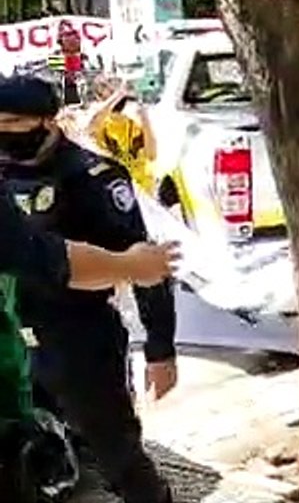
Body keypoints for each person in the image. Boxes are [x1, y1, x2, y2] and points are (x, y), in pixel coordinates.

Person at [0, 74, 177, 503]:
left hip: (78, 340)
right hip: (14, 340)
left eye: (13, 125)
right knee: (30, 456)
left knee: (116, 455)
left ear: (49, 121)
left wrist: (160, 348)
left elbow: (145, 264)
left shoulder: (92, 177)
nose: (3, 138)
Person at [86, 76, 159, 197]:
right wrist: (118, 94)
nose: (112, 88)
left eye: (112, 84)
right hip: (119, 193)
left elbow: (151, 155)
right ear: (99, 97)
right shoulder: (101, 125)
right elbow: (93, 125)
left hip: (144, 192)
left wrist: (145, 118)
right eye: (105, 87)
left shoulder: (136, 122)